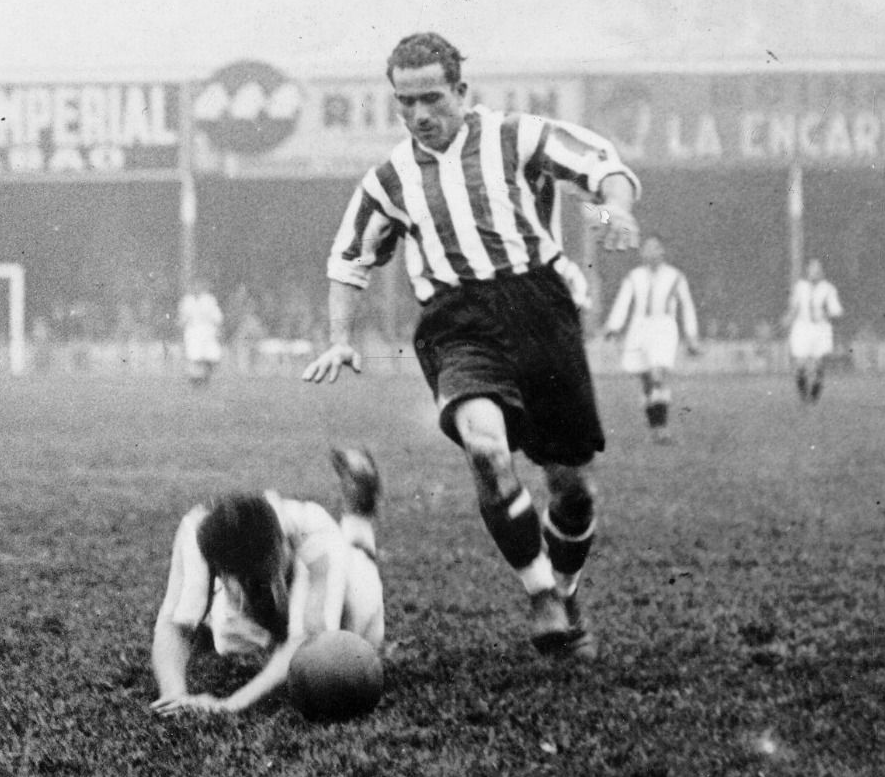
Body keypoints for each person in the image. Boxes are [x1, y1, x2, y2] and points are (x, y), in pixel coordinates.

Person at [301, 32, 641, 662]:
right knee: (485, 448)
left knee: (571, 489)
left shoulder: (518, 136)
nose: (419, 115)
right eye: (406, 103)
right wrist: (340, 338)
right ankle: (540, 592)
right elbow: (349, 258)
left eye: (431, 98)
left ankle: (564, 591)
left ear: (461, 91)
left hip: (541, 308)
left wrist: (616, 207)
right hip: (456, 321)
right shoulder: (389, 179)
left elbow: (600, 163)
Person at [150, 448, 384, 716]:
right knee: (227, 634)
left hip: (322, 575)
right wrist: (173, 693)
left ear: (279, 545)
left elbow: (307, 638)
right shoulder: (198, 534)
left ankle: (358, 516)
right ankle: (253, 608)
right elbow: (174, 624)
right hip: (257, 601)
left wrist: (230, 704)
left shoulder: (312, 529)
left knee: (337, 648)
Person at [603, 236, 701, 444]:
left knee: (658, 375)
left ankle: (662, 428)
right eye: (646, 248)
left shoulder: (675, 276)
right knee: (647, 382)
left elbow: (688, 306)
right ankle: (655, 429)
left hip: (664, 327)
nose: (650, 252)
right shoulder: (634, 276)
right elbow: (623, 301)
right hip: (640, 329)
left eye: (655, 247)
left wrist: (691, 335)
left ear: (662, 251)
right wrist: (614, 326)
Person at [781, 259, 843, 403]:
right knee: (800, 363)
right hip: (802, 327)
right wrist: (787, 318)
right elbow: (794, 306)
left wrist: (824, 314)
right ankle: (804, 397)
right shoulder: (800, 287)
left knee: (817, 363)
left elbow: (836, 311)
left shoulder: (828, 289)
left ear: (821, 272)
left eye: (817, 269)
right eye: (811, 269)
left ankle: (814, 394)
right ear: (807, 271)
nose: (814, 272)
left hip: (821, 329)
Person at [177, 281, 225, 386]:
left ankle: (205, 377)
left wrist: (218, 328)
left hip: (208, 331)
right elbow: (183, 317)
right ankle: (195, 380)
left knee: (211, 356)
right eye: (194, 286)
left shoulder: (209, 300)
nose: (196, 288)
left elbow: (216, 316)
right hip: (192, 331)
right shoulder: (187, 300)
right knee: (194, 356)